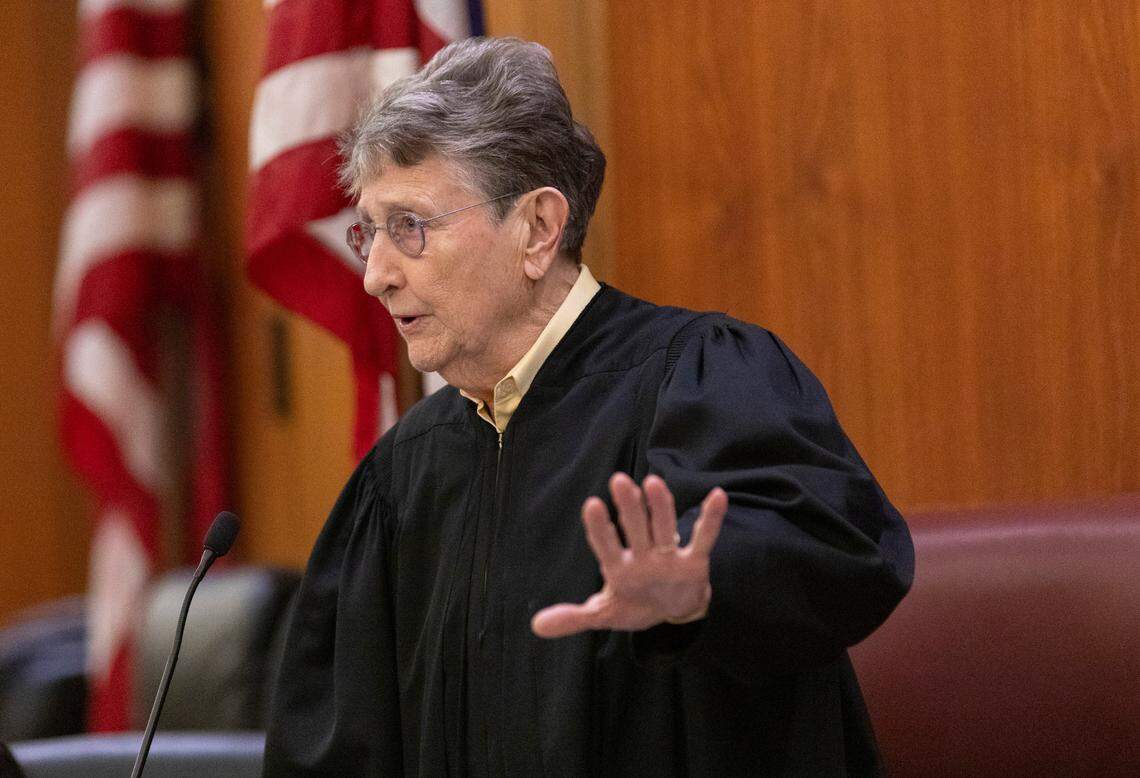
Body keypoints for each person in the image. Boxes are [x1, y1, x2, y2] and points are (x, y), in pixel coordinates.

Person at [263, 37, 914, 777]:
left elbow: (845, 557)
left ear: (538, 229)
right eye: (368, 233)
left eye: (410, 227)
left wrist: (705, 585)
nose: (376, 274)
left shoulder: (700, 381)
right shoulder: (403, 475)